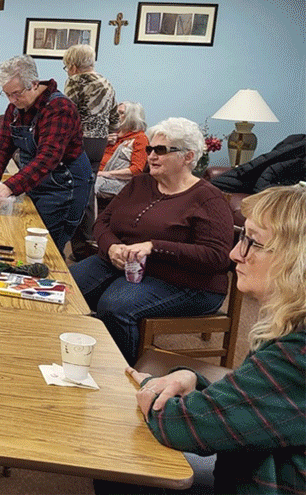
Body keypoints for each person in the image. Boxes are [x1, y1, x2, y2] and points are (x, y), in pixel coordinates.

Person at [126, 183, 306, 493]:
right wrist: (192, 380)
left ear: (295, 259)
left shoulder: (296, 354)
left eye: (252, 242)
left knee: (129, 467)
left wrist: (147, 387)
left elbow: (183, 426)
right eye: (241, 238)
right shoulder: (290, 329)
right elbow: (262, 403)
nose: (236, 253)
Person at [70, 117, 234, 364]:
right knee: (65, 287)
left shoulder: (208, 198)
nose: (151, 156)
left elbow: (217, 257)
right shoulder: (140, 183)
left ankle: (122, 375)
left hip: (187, 282)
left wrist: (154, 247)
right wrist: (112, 246)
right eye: (150, 150)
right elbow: (102, 223)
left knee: (115, 306)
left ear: (188, 156)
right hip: (124, 266)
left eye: (161, 150)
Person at [0, 54, 91, 254]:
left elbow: (47, 159)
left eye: (16, 93)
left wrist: (7, 188)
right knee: (24, 243)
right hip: (36, 182)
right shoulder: (16, 107)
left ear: (34, 84)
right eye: (7, 94)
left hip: (64, 188)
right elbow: (2, 143)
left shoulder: (60, 108)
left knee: (45, 251)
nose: (12, 100)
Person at [63, 44, 119, 260]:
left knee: (70, 190)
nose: (67, 71)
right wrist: (106, 131)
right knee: (88, 192)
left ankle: (69, 242)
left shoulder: (76, 81)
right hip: (99, 142)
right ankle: (85, 247)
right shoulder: (106, 82)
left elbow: (67, 112)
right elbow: (114, 117)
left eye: (67, 66)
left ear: (74, 66)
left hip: (78, 140)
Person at [93, 101, 149, 198]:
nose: (115, 116)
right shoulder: (109, 133)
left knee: (90, 186)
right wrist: (103, 141)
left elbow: (136, 170)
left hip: (117, 181)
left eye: (121, 113)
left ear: (132, 117)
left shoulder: (140, 138)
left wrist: (104, 174)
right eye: (115, 112)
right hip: (96, 174)